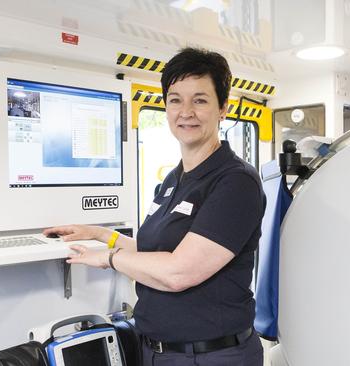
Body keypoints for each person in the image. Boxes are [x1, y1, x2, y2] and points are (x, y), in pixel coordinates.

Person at [44, 47, 265, 366]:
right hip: (157, 352)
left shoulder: (236, 181)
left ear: (223, 109)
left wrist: (109, 259)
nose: (185, 111)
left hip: (211, 356)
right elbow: (153, 251)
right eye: (175, 99)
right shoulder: (175, 179)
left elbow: (178, 271)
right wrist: (96, 233)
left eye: (199, 100)